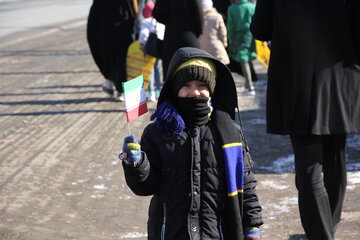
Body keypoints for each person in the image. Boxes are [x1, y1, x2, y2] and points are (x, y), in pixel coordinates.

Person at [119, 47, 264, 239]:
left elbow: (246, 183)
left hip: (217, 232)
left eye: (201, 85)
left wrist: (252, 227)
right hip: (170, 232)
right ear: (174, 89)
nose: (194, 92)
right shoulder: (157, 132)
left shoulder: (230, 133)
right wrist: (136, 164)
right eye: (186, 85)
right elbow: (145, 186)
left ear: (211, 88)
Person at [250, 0, 360, 239]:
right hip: (340, 79)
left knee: (308, 164)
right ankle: (328, 226)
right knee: (336, 156)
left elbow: (260, 29)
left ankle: (322, 233)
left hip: (295, 80)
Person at [87, 0, 138, 101]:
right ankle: (125, 93)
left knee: (112, 62)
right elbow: (135, 13)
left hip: (106, 35)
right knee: (127, 64)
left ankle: (114, 85)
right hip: (126, 33)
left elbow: (93, 21)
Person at [152, 0, 203, 78]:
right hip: (189, 38)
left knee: (171, 77)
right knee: (193, 75)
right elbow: (199, 19)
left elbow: (157, 14)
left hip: (170, 38)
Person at [227, 0, 257, 96]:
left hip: (238, 35)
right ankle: (248, 83)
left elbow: (230, 25)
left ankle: (250, 86)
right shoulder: (251, 6)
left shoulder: (232, 8)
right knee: (247, 59)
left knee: (243, 60)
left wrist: (230, 38)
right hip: (250, 34)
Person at [138, 1, 165, 101]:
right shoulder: (160, 21)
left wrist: (142, 44)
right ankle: (159, 91)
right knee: (157, 69)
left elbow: (143, 35)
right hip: (159, 49)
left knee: (150, 71)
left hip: (149, 50)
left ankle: (151, 93)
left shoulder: (145, 22)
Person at [199, 0, 230, 66]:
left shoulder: (199, 17)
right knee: (221, 66)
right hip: (216, 45)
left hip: (203, 46)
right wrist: (225, 43)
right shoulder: (217, 16)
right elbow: (223, 32)